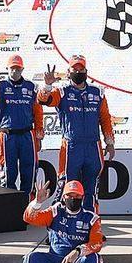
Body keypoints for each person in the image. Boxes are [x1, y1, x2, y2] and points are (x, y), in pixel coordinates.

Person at [38, 55, 116, 213]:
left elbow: (105, 119)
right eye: (75, 69)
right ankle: (55, 229)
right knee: (65, 186)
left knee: (91, 190)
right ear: (68, 72)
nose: (78, 72)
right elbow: (44, 100)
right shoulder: (61, 91)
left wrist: (110, 142)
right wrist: (46, 86)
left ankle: (92, 227)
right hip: (71, 147)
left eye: (81, 69)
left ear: (86, 71)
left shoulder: (98, 93)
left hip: (93, 147)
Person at [0, 55, 44, 199]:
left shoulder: (32, 87)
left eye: (17, 68)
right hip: (7, 135)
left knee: (29, 172)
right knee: (8, 173)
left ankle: (28, 209)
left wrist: (39, 136)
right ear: (7, 69)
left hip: (27, 135)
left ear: (22, 69)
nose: (15, 71)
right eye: (12, 68)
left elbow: (38, 112)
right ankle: (10, 208)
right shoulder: (0, 86)